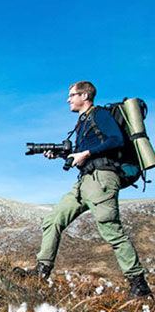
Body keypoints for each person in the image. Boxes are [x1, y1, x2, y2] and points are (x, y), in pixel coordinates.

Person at [17, 81, 152, 298]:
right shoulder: (83, 122)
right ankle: (41, 271)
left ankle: (139, 286)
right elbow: (82, 154)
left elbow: (116, 139)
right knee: (54, 219)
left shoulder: (100, 115)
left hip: (102, 180)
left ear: (84, 96)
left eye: (72, 95)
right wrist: (61, 154)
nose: (68, 99)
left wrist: (86, 153)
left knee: (111, 231)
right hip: (84, 183)